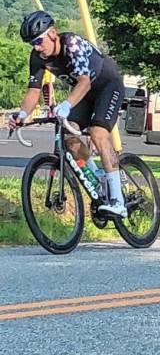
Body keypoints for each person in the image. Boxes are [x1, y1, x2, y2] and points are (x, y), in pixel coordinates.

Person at [7, 11, 127, 216]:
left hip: (107, 86)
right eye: (32, 44)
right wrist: (22, 113)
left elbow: (84, 81)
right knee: (69, 139)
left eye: (38, 41)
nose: (36, 48)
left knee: (98, 133)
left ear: (53, 33)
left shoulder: (71, 44)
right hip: (85, 95)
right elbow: (34, 90)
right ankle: (96, 177)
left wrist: (67, 105)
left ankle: (118, 200)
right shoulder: (37, 56)